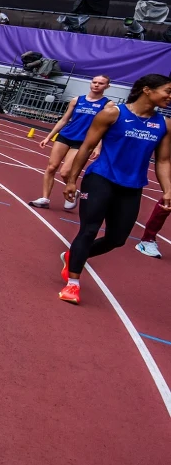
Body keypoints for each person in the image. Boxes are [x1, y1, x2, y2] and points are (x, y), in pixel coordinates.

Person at [57, 74, 171, 304]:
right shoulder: (113, 113)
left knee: (117, 239)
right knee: (89, 230)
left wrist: (167, 190)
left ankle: (73, 256)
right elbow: (87, 146)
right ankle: (73, 284)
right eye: (167, 91)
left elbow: (163, 161)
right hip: (101, 178)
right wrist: (72, 180)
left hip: (132, 186)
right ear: (147, 90)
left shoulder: (164, 124)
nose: (170, 97)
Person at [29, 75, 111, 211]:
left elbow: (104, 127)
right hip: (65, 136)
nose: (96, 85)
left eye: (101, 83)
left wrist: (98, 146)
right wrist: (49, 137)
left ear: (107, 86)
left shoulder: (107, 105)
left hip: (83, 141)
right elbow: (64, 120)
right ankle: (45, 198)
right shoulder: (77, 100)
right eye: (94, 82)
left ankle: (73, 192)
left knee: (65, 172)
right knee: (51, 167)